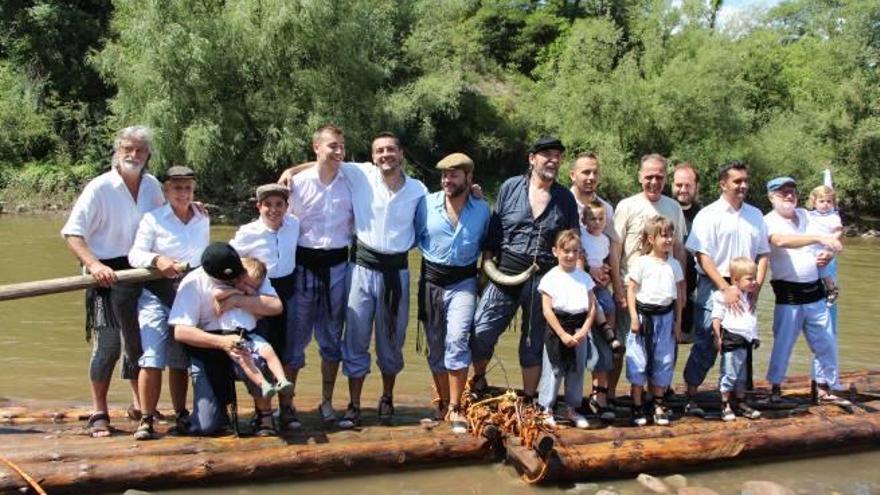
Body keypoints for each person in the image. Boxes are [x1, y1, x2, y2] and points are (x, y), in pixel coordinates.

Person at [61, 125, 165, 437]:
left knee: (139, 341)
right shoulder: (99, 187)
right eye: (128, 149)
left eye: (140, 150)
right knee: (108, 345)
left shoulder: (152, 186)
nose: (134, 155)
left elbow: (166, 222)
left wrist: (192, 211)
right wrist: (93, 264)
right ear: (117, 152)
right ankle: (99, 411)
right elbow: (72, 233)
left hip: (141, 269)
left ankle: (139, 404)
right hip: (105, 272)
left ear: (148, 155)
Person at [470, 136, 580, 401]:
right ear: (532, 159)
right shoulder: (510, 187)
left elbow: (572, 241)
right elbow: (494, 230)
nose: (553, 160)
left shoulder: (565, 198)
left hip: (543, 280)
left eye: (557, 155)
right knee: (481, 331)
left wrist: (578, 280)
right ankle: (479, 379)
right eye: (546, 154)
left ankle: (529, 399)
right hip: (504, 272)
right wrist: (485, 269)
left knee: (532, 343)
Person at [337, 132, 428, 428]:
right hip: (361, 268)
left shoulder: (418, 190)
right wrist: (290, 172)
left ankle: (387, 397)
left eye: (390, 149)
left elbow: (434, 220)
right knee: (356, 336)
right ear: (372, 155)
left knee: (392, 340)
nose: (385, 155)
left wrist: (474, 193)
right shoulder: (360, 174)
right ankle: (354, 403)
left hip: (397, 272)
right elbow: (325, 160)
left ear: (401, 153)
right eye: (379, 151)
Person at [680, 160, 769, 416]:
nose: (742, 186)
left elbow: (763, 253)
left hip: (747, 284)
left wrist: (757, 286)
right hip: (715, 283)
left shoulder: (755, 215)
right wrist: (725, 287)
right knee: (708, 339)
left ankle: (737, 398)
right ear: (723, 184)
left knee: (742, 340)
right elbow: (702, 256)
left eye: (745, 181)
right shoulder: (708, 215)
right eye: (737, 181)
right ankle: (691, 394)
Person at [127, 165, 209, 440]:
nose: (183, 193)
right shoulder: (153, 219)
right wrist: (157, 260)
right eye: (177, 188)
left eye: (187, 188)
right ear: (166, 190)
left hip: (188, 295)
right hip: (155, 293)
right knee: (152, 357)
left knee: (179, 360)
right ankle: (147, 418)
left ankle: (180, 413)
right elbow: (135, 254)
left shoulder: (202, 217)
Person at [169, 243, 284, 436]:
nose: (235, 281)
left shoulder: (249, 271)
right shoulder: (193, 281)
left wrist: (238, 300)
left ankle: (264, 415)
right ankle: (217, 413)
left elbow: (276, 306)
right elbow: (181, 332)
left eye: (236, 275)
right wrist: (221, 343)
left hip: (243, 338)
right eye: (228, 279)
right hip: (208, 346)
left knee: (261, 357)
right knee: (206, 427)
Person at [414, 152, 490, 434]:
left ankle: (457, 407)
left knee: (457, 340)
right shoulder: (426, 205)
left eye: (454, 174)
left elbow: (487, 246)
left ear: (468, 178)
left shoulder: (482, 209)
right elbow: (411, 236)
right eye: (444, 175)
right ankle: (442, 404)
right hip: (431, 281)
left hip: (464, 283)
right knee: (435, 346)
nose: (447, 179)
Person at [286, 125, 354, 426]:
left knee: (331, 340)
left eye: (341, 146)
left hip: (339, 267)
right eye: (332, 146)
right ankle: (287, 404)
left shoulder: (352, 180)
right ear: (316, 147)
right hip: (302, 267)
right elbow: (279, 223)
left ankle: (327, 402)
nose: (338, 151)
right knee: (295, 339)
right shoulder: (297, 184)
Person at [763, 177, 848, 405]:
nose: (789, 196)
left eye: (792, 191)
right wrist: (818, 237)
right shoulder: (768, 221)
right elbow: (781, 241)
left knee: (826, 342)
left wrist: (829, 252)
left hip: (815, 293)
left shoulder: (806, 215)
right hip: (788, 296)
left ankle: (825, 387)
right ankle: (775, 388)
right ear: (772, 197)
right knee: (783, 344)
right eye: (783, 193)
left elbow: (832, 231)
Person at [611, 154, 687, 402]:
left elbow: (679, 251)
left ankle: (656, 398)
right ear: (640, 177)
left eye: (659, 177)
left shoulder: (673, 207)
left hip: (663, 295)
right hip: (630, 289)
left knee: (662, 349)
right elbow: (615, 249)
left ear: (666, 178)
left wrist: (682, 290)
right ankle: (610, 397)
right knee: (622, 348)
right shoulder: (627, 205)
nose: (654, 182)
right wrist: (619, 290)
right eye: (649, 177)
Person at [229, 183, 301, 428]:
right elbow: (229, 261)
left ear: (286, 207)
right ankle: (264, 413)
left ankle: (287, 406)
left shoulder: (293, 225)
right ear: (258, 206)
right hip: (260, 295)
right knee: (261, 350)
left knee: (288, 351)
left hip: (289, 290)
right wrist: (245, 288)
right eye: (268, 205)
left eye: (279, 205)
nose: (273, 210)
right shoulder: (248, 232)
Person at [625, 215, 684, 427]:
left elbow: (678, 294)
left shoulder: (674, 264)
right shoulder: (641, 263)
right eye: (664, 236)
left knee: (664, 359)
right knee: (638, 360)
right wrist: (633, 317)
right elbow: (631, 290)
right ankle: (637, 404)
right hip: (643, 316)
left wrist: (678, 323)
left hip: (666, 317)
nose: (669, 240)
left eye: (671, 235)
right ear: (651, 239)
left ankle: (658, 404)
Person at [536, 229, 596, 429]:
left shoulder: (585, 278)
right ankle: (546, 409)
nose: (570, 255)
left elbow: (592, 308)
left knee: (577, 370)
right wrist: (562, 334)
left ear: (580, 253)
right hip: (557, 330)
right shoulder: (550, 278)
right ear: (555, 252)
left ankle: (571, 409)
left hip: (579, 330)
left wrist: (583, 331)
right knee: (554, 370)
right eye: (566, 251)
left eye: (574, 251)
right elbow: (546, 309)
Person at [579, 200, 622, 420]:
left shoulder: (606, 240)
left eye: (600, 219)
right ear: (584, 220)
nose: (597, 223)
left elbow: (608, 261)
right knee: (595, 307)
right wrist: (589, 270)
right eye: (592, 219)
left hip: (602, 283)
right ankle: (606, 329)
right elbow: (580, 258)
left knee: (610, 305)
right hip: (584, 284)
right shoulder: (581, 235)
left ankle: (610, 332)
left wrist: (605, 272)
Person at [710, 257, 762, 422]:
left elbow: (750, 319)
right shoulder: (723, 296)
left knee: (742, 376)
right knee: (730, 373)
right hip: (732, 339)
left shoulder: (749, 297)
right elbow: (716, 318)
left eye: (755, 278)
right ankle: (724, 404)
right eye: (749, 279)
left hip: (746, 340)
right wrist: (717, 337)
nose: (754, 282)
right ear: (735, 279)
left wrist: (755, 336)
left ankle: (740, 402)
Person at [672, 163, 702, 341]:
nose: (683, 189)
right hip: (664, 295)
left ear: (696, 186)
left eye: (688, 185)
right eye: (678, 185)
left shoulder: (706, 215)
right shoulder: (663, 209)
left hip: (695, 295)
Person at [806, 185, 842, 304]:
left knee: (823, 269)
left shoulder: (833, 217)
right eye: (822, 201)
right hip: (809, 246)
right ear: (814, 202)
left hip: (823, 248)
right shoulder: (809, 215)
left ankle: (832, 289)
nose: (825, 204)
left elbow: (838, 231)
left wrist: (830, 241)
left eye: (829, 201)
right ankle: (814, 290)